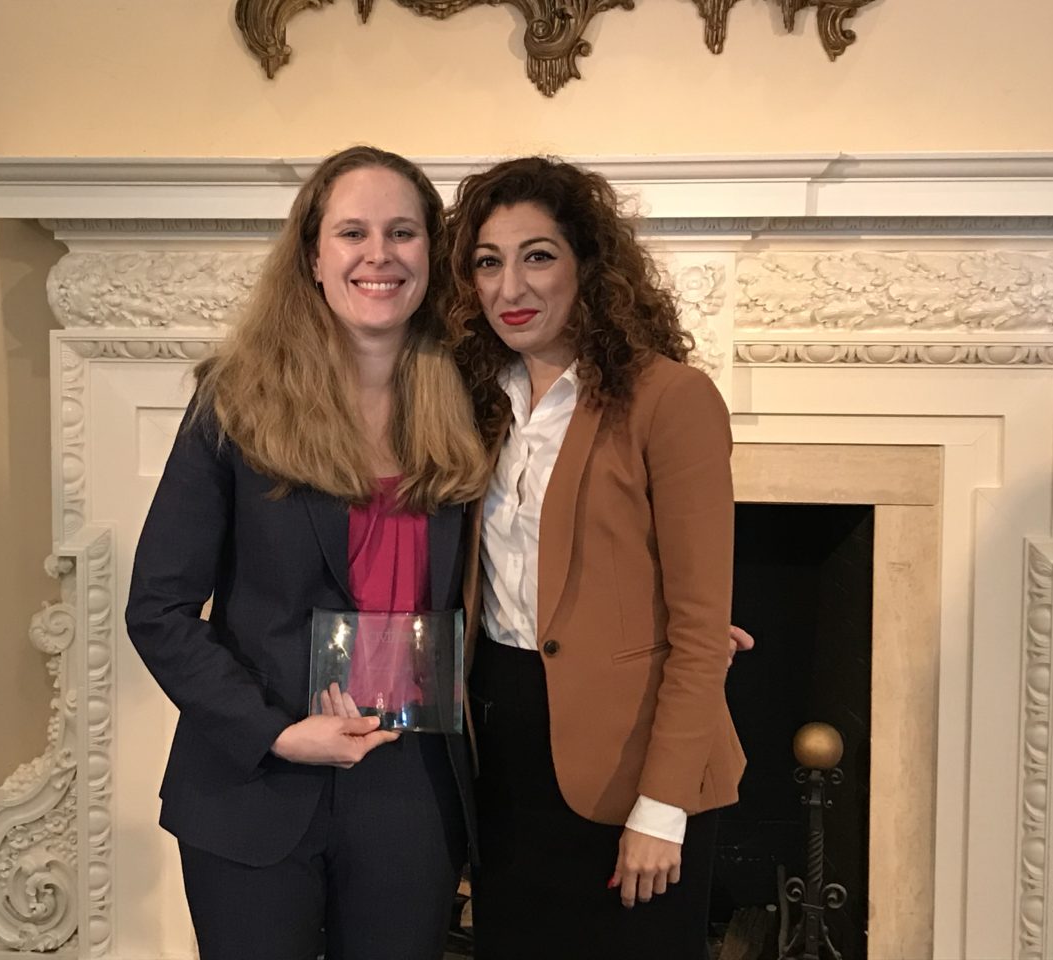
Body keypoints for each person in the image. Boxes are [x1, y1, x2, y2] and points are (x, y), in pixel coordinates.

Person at [125, 145, 489, 960]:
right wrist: (277, 733)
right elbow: (157, 608)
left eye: (403, 232)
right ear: (314, 258)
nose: (379, 255)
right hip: (257, 777)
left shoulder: (474, 405)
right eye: (352, 232)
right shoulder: (235, 402)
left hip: (412, 786)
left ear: (433, 252)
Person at [445, 156, 746, 960]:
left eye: (537, 255)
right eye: (488, 261)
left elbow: (699, 626)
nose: (511, 286)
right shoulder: (476, 402)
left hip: (633, 762)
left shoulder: (670, 399)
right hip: (503, 747)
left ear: (589, 265)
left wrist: (662, 807)